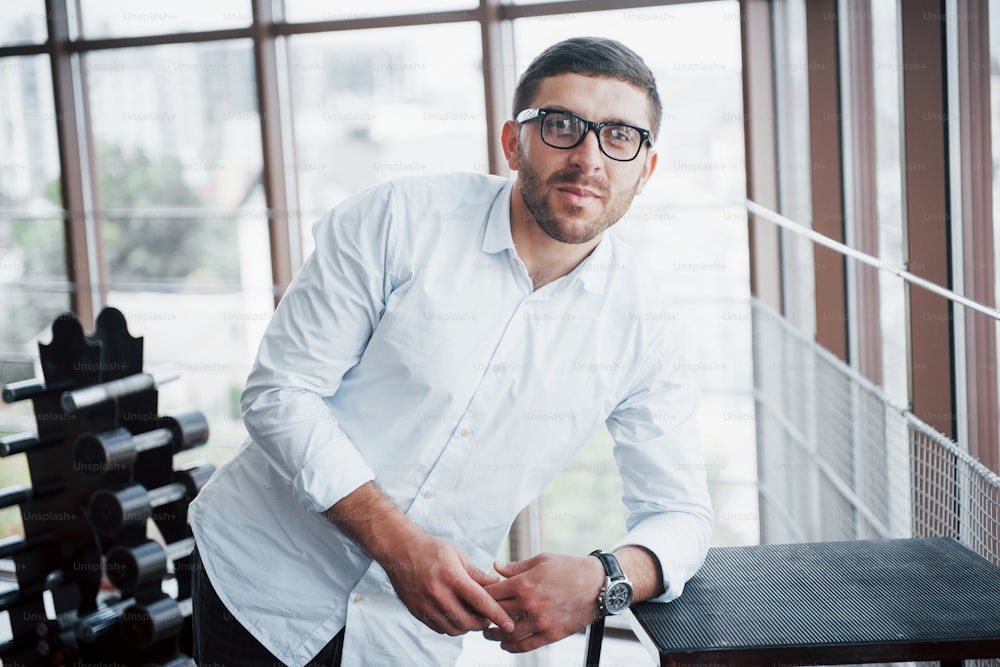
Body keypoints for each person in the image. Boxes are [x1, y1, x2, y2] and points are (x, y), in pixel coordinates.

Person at [189, 35, 713, 666]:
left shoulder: (645, 326)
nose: (588, 158)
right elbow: (281, 395)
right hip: (260, 582)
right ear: (513, 141)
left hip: (409, 640)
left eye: (619, 137)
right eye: (561, 125)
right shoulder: (396, 220)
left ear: (646, 168)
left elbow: (680, 514)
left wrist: (603, 579)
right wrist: (400, 545)